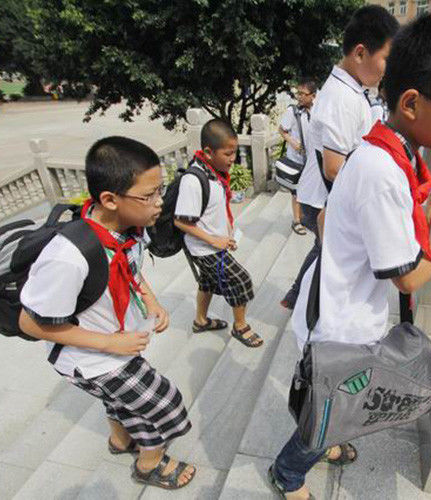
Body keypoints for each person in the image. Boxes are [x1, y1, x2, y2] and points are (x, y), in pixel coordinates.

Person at [268, 14, 431, 500]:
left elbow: (330, 218)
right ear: (412, 103)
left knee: (334, 403)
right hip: (341, 322)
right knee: (329, 406)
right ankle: (287, 473)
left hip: (340, 302)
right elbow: (409, 278)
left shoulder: (385, 147)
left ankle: (327, 435)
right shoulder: (383, 169)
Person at [19, 137, 195, 489]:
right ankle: (149, 464)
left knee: (124, 402)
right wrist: (110, 344)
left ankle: (120, 440)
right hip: (92, 357)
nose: (160, 202)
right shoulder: (68, 257)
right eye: (149, 195)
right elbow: (29, 322)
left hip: (116, 344)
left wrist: (151, 301)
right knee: (165, 405)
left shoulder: (126, 229)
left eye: (160, 190)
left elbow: (130, 267)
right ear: (110, 200)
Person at [280, 5, 400, 309]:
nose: (388, 69)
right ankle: (305, 303)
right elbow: (333, 168)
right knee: (330, 257)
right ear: (360, 53)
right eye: (386, 58)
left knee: (324, 252)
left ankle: (298, 298)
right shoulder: (343, 97)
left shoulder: (347, 91)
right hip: (322, 199)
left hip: (320, 196)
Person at [174, 119, 262, 348]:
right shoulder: (193, 181)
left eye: (234, 152)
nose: (233, 158)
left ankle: (200, 321)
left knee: (207, 282)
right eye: (228, 154)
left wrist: (226, 235)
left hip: (215, 243)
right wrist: (215, 240)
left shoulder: (214, 172)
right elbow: (181, 222)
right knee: (241, 280)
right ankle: (240, 327)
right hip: (204, 248)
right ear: (208, 152)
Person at [279, 79, 317, 235]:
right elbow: (282, 130)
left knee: (309, 188)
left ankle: (305, 216)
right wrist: (292, 141)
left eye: (303, 94)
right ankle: (296, 220)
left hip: (312, 158)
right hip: (297, 158)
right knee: (296, 190)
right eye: (298, 93)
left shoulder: (317, 111)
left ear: (313, 95)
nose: (299, 97)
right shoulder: (292, 111)